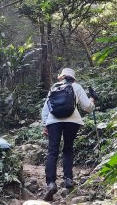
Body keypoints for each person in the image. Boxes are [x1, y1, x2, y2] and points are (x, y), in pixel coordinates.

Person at [41, 68, 95, 201]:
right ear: (73, 78)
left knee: (52, 151)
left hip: (53, 121)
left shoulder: (54, 87)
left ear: (62, 77)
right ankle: (68, 179)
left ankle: (51, 183)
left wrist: (44, 124)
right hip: (72, 120)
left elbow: (46, 107)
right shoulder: (76, 86)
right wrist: (93, 99)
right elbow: (87, 107)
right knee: (68, 148)